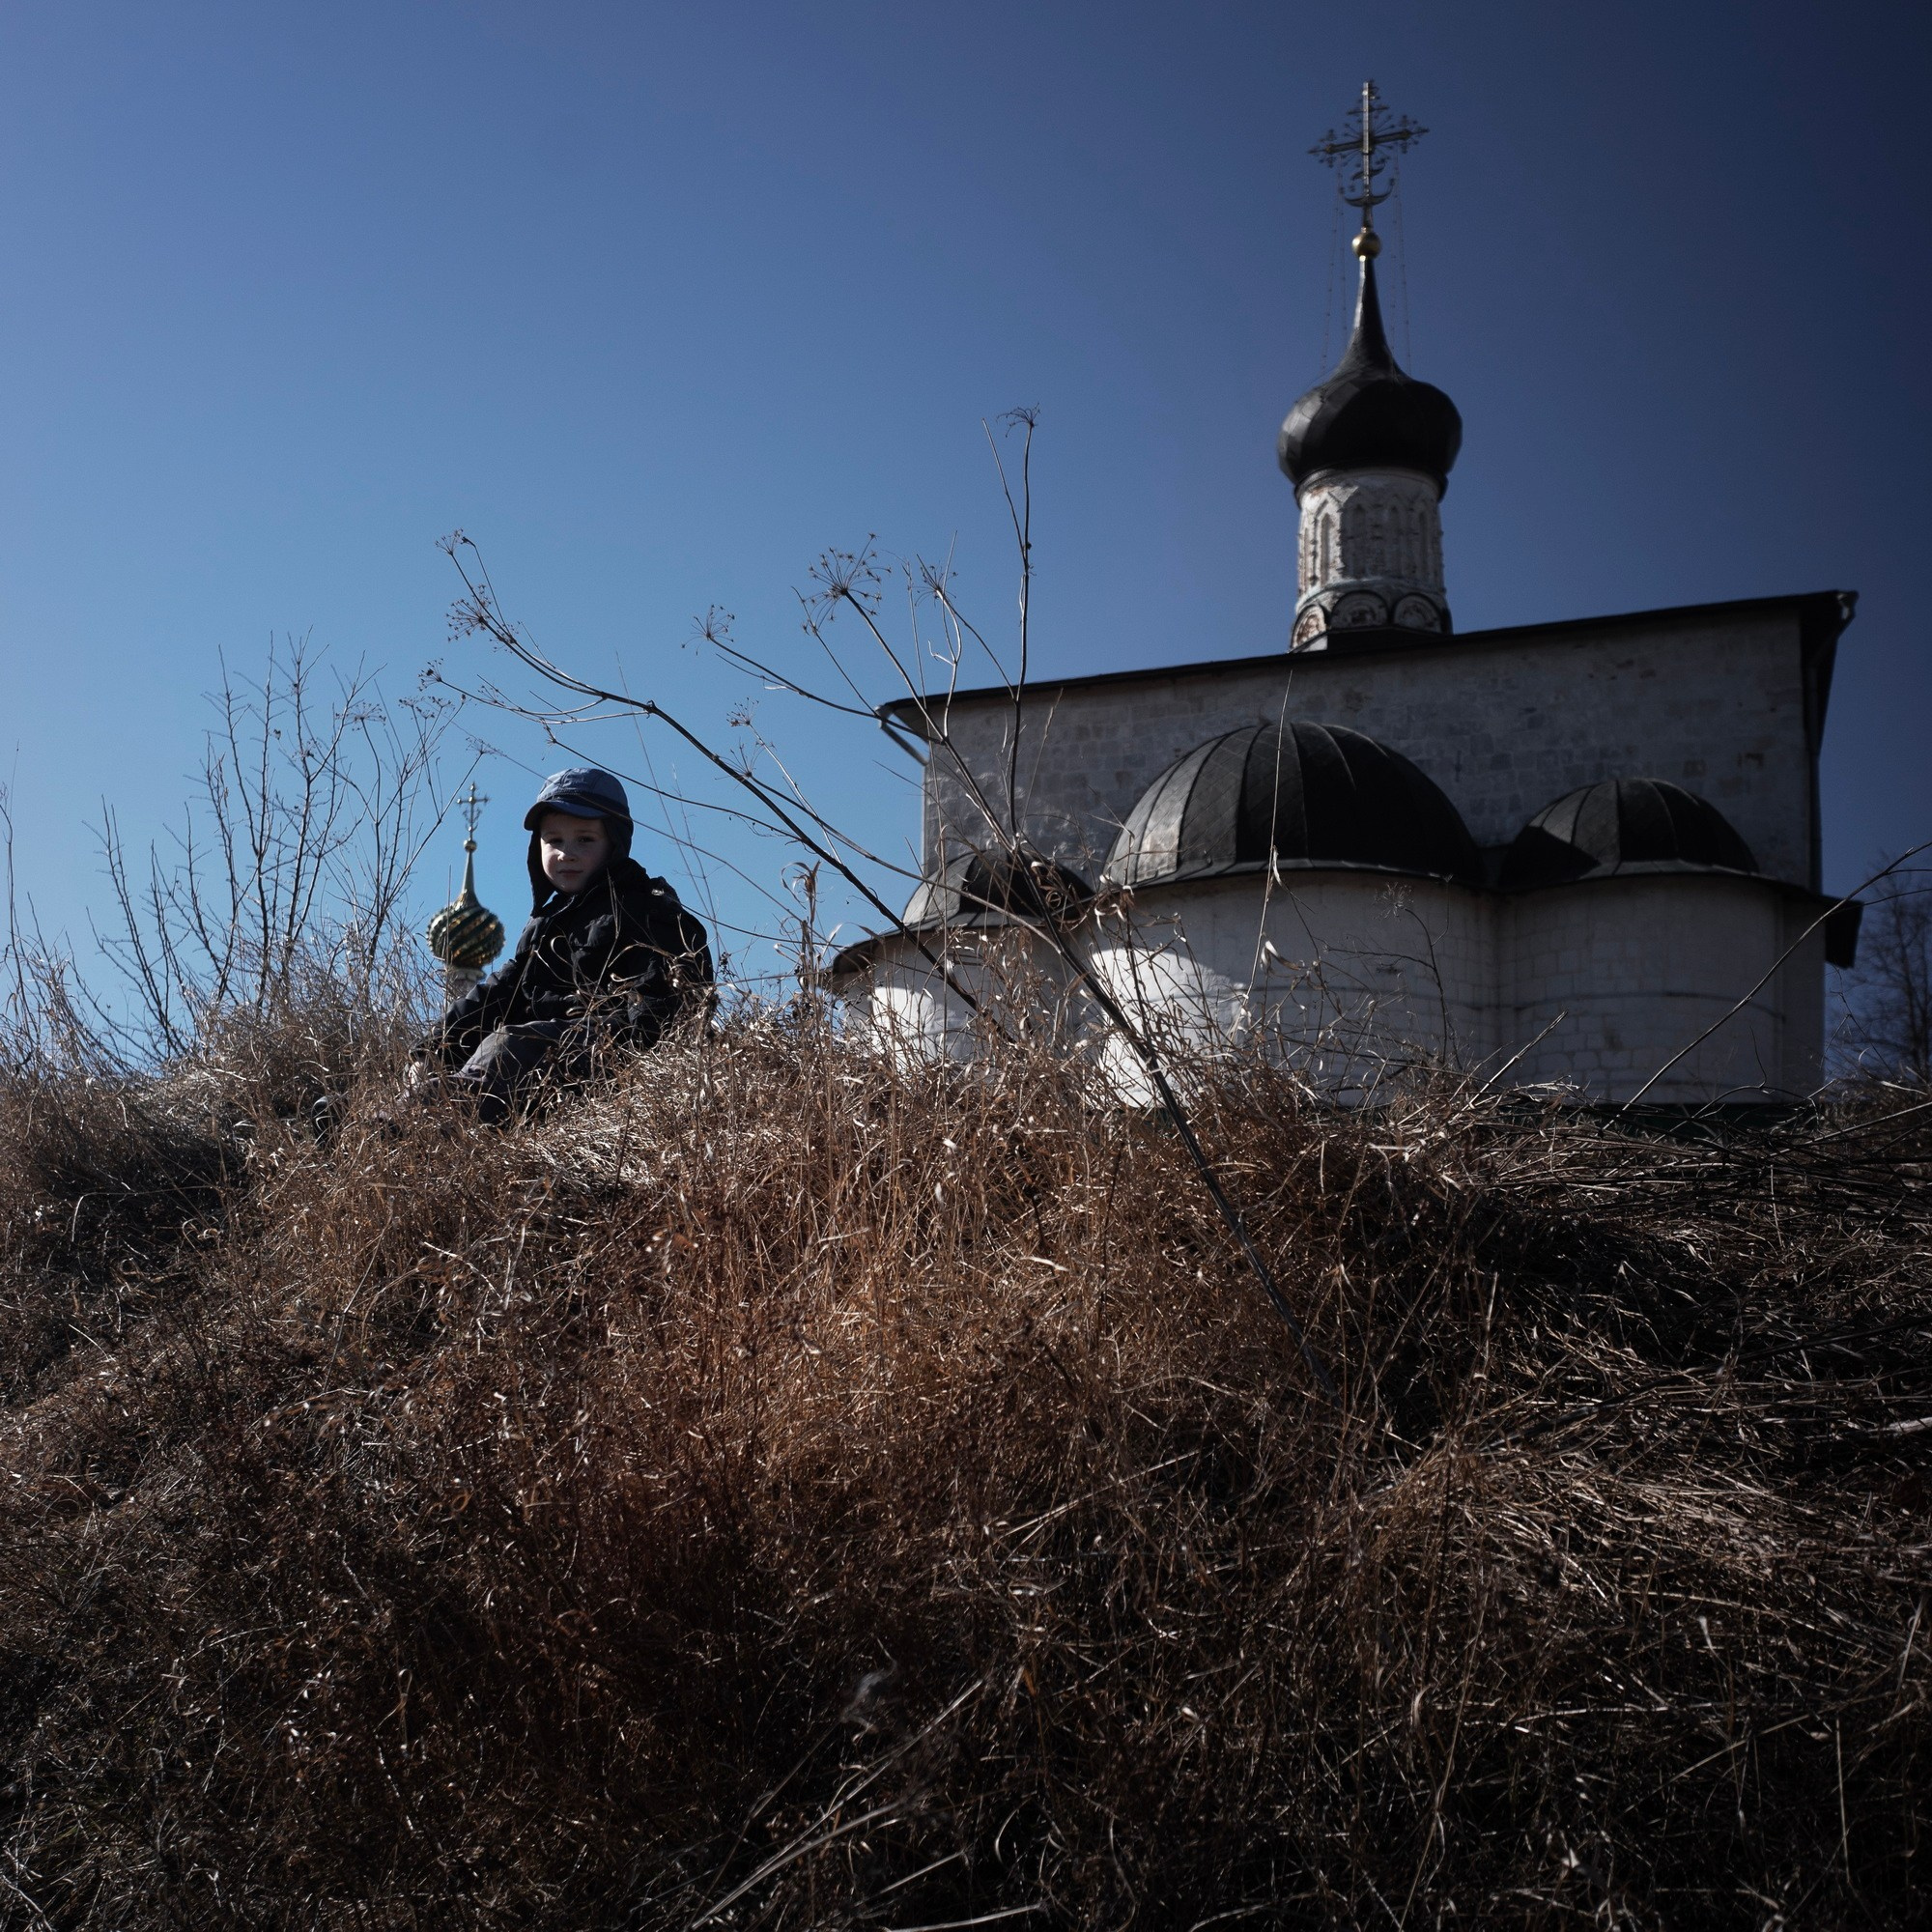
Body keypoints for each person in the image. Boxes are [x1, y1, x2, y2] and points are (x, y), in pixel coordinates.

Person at [411, 768, 713, 1122]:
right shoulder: (546, 924)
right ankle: (362, 1120)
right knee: (445, 1067)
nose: (566, 853)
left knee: (509, 1044)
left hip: (602, 1068)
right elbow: (500, 993)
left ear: (614, 843)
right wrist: (431, 1049)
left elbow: (666, 1015)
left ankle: (430, 1122)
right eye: (553, 841)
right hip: (533, 1068)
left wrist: (626, 1061)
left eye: (584, 840)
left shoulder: (647, 912)